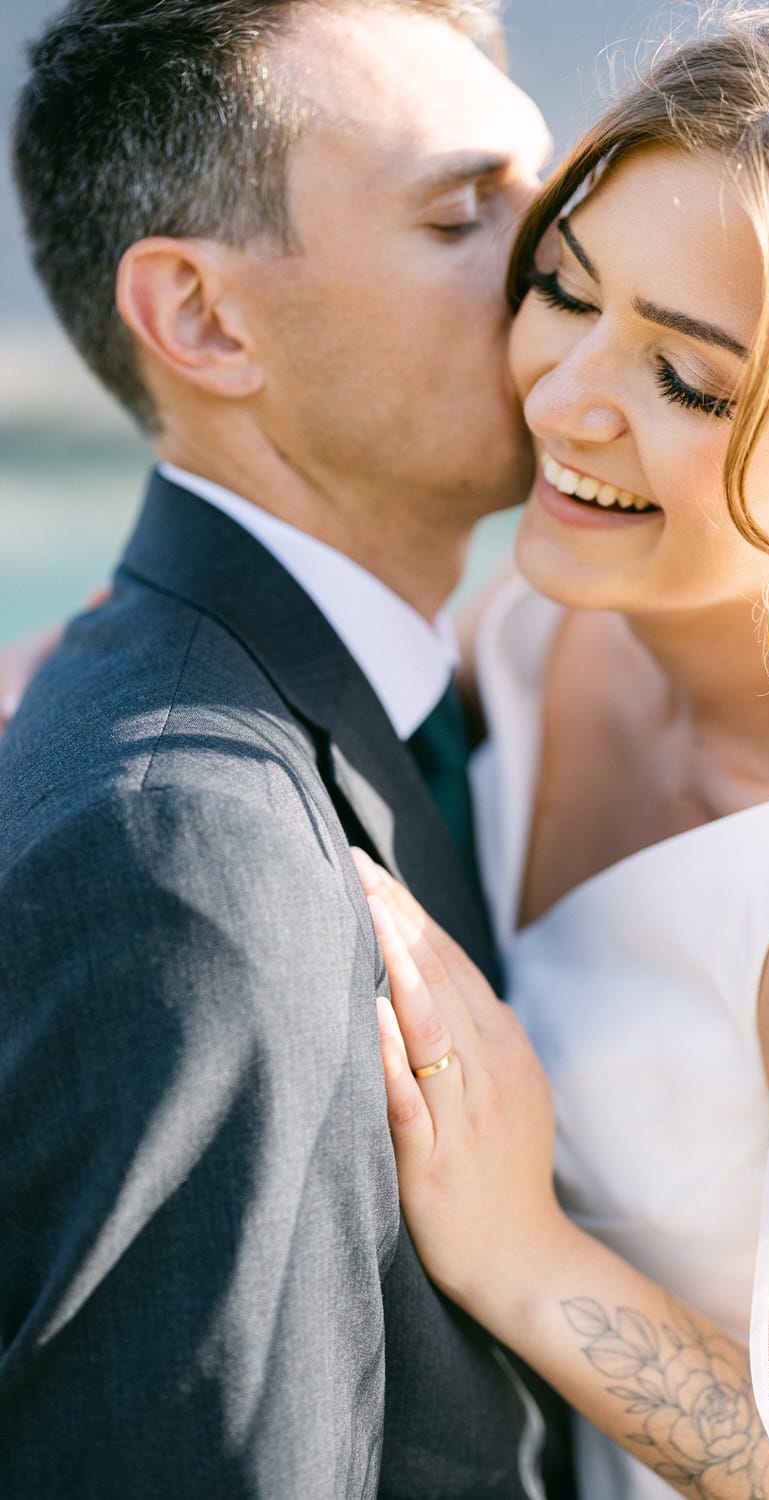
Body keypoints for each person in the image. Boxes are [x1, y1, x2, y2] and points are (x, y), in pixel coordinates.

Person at [348, 7, 769, 1498]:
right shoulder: (571, 596)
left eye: (692, 383)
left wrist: (526, 1258)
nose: (567, 401)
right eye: (567, 292)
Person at [0, 1, 577, 1496]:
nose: (566, 256)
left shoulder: (442, 685)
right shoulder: (182, 864)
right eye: (466, 215)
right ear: (200, 320)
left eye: (545, 186)